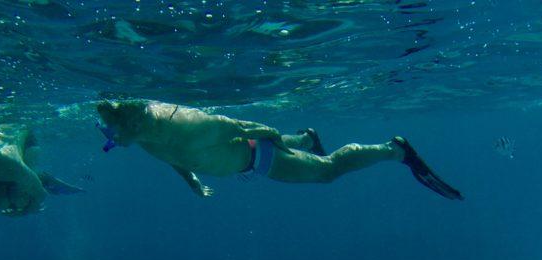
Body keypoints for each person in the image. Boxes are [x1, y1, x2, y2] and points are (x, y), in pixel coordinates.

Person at [95, 99, 462, 200]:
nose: (109, 142)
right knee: (311, 155)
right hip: (249, 160)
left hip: (261, 157)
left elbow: (251, 128)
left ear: (133, 125)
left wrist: (276, 138)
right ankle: (306, 137)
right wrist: (192, 182)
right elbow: (174, 160)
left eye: (109, 134)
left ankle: (393, 150)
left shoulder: (192, 126)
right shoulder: (147, 140)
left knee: (328, 170)